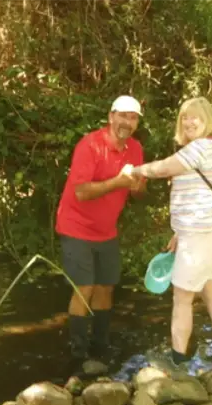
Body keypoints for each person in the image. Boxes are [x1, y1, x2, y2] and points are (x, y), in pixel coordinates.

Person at [129, 97, 212, 373]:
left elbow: (165, 167)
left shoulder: (201, 147)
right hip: (211, 232)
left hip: (199, 236)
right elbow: (198, 196)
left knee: (182, 299)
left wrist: (135, 169)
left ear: (208, 119)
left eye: (196, 117)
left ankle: (177, 361)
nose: (189, 122)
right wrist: (179, 233)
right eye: (184, 117)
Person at [55, 95, 146, 367]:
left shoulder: (136, 149)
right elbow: (82, 192)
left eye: (133, 118)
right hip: (75, 226)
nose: (127, 122)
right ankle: (78, 352)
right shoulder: (90, 145)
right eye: (123, 116)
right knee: (85, 287)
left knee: (106, 287)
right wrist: (119, 181)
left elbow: (139, 193)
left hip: (106, 231)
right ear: (111, 117)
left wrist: (137, 186)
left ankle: (101, 345)